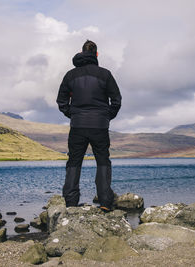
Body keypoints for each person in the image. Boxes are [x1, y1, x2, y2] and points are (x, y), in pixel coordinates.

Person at [56, 40, 122, 211]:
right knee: (102, 161)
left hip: (77, 125)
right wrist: (106, 116)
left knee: (74, 161)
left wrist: (73, 114)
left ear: (81, 52)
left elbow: (61, 101)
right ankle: (105, 203)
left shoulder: (70, 75)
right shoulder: (105, 74)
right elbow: (116, 100)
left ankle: (71, 203)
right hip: (100, 125)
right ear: (97, 54)